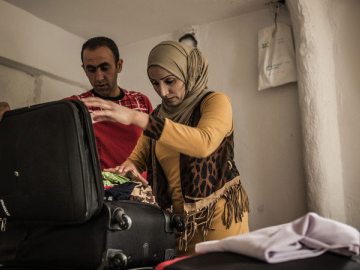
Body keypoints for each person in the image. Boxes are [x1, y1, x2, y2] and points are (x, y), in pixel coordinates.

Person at [81, 40, 250, 256]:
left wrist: (135, 117)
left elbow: (203, 143)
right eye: (155, 83)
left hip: (219, 219)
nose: (163, 91)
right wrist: (120, 174)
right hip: (177, 222)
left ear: (188, 73)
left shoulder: (215, 102)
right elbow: (135, 160)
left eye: (170, 81)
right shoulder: (159, 116)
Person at [0, 37, 153, 170]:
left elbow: (158, 148)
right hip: (105, 197)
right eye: (91, 70)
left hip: (144, 194)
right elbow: (30, 129)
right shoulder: (75, 105)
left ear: (119, 65)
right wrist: (7, 116)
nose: (99, 77)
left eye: (105, 67)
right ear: (84, 69)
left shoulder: (141, 101)